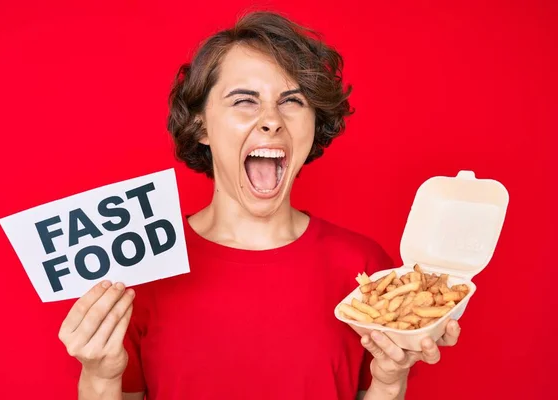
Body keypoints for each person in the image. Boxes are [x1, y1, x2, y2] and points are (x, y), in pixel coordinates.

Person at [58, 11, 461, 400]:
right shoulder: (144, 270)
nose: (271, 120)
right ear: (201, 126)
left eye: (292, 101)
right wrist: (98, 377)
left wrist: (389, 384)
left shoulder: (365, 269)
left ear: (313, 125)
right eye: (244, 101)